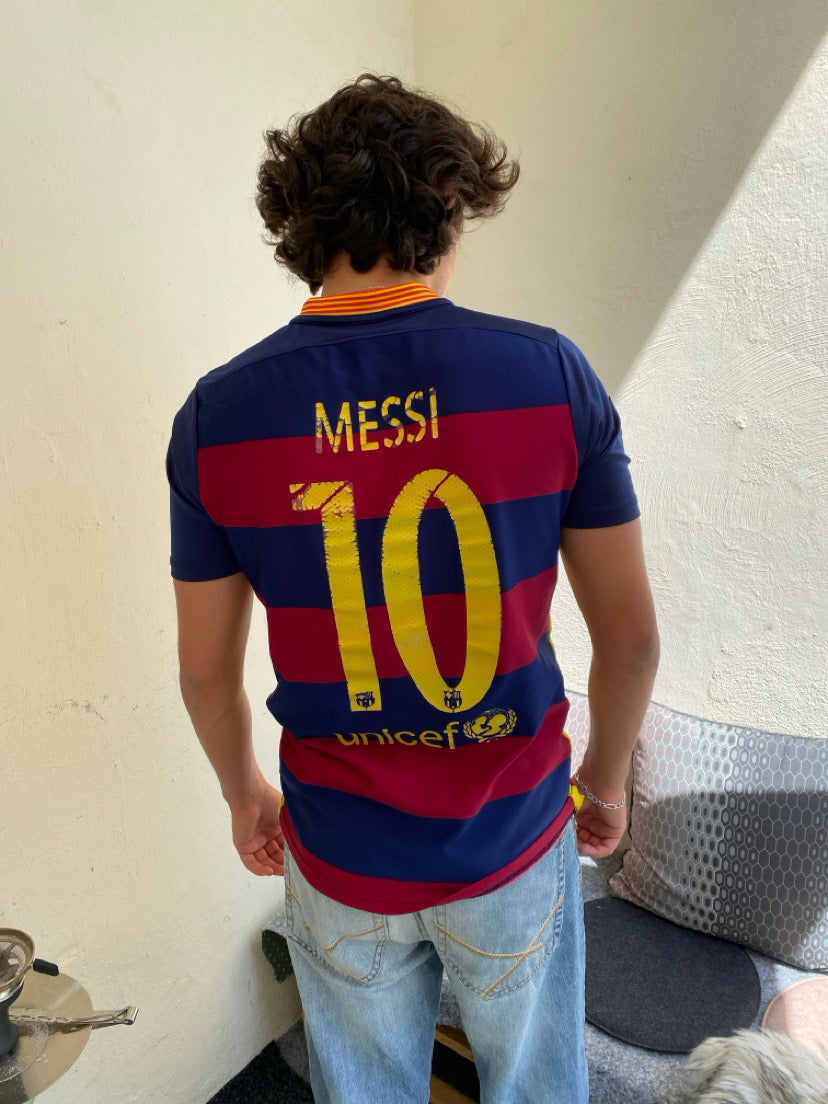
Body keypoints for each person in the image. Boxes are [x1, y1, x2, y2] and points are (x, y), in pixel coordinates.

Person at [168, 74, 659, 1104]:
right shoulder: (549, 375)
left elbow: (206, 672)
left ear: (303, 224)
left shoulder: (218, 416)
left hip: (339, 853)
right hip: (513, 838)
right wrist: (607, 784)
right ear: (446, 204)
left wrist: (243, 796)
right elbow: (630, 641)